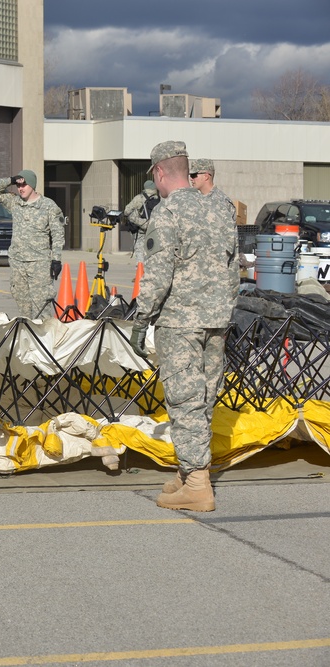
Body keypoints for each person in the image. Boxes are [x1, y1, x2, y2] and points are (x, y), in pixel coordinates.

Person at [129, 141, 239, 512]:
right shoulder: (219, 209)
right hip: (216, 320)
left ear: (159, 172)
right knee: (204, 398)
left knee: (185, 401)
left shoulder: (167, 211)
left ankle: (197, 485)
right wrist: (225, 311)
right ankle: (187, 469)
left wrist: (141, 321)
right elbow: (233, 269)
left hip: (180, 323)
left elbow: (157, 277)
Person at [0, 169, 65, 319]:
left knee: (42, 306)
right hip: (18, 263)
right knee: (23, 307)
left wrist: (56, 259)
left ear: (33, 186)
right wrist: (11, 179)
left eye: (24, 185)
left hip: (39, 264)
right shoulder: (15, 202)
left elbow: (58, 235)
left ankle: (43, 339)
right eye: (18, 186)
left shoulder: (48, 206)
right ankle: (28, 338)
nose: (21, 189)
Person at [122, 180, 160, 263]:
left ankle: (140, 272)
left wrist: (135, 218)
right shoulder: (159, 198)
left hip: (141, 230)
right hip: (154, 230)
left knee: (140, 253)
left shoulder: (139, 198)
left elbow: (126, 211)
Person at [189, 158, 236, 223]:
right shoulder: (192, 199)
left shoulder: (222, 202)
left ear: (206, 176)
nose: (191, 179)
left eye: (193, 175)